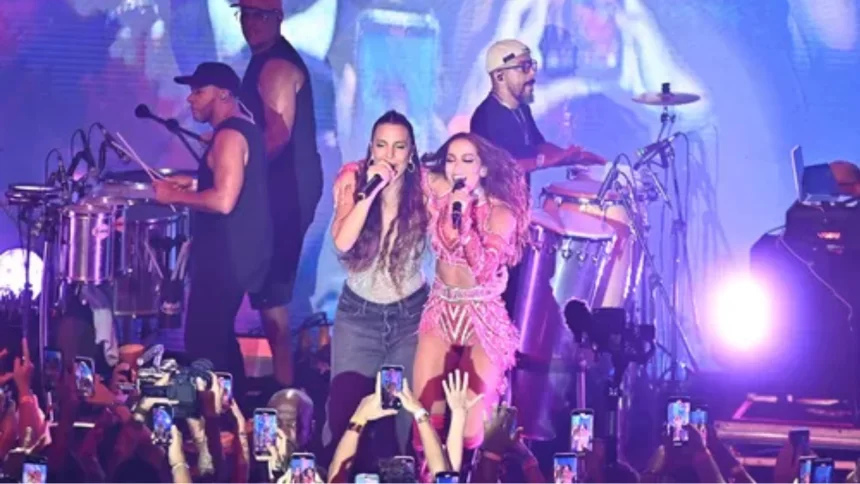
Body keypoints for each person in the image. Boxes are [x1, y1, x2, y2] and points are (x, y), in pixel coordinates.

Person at [153, 62, 272, 390]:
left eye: (198, 91)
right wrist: (193, 184)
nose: (191, 99)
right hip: (234, 253)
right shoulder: (239, 130)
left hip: (228, 256)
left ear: (223, 94)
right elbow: (234, 185)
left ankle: (213, 420)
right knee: (217, 336)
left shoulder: (231, 135)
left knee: (203, 339)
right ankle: (237, 413)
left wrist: (168, 197)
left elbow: (223, 200)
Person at [412, 132, 530, 453]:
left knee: (470, 431)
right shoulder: (440, 194)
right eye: (451, 159)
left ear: (484, 169)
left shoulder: (501, 214)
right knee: (423, 420)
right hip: (440, 310)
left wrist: (464, 222)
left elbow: (483, 271)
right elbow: (406, 166)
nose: (457, 167)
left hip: (482, 319)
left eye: (467, 160)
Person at [325, 111, 429, 455]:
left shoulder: (425, 190)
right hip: (359, 317)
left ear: (411, 152)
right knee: (344, 415)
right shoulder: (353, 184)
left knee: (401, 421)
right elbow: (342, 242)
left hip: (409, 319)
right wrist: (368, 193)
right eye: (382, 145)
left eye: (399, 147)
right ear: (371, 149)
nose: (390, 155)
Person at [234, 0, 324, 388]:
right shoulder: (262, 60)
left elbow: (275, 137)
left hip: (284, 194)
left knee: (273, 301)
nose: (252, 23)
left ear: (279, 18)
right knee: (270, 297)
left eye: (262, 15)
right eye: (247, 14)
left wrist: (232, 167)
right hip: (277, 191)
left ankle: (287, 403)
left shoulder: (276, 67)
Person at [470, 39, 604, 178]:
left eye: (532, 66)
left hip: (520, 198)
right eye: (524, 67)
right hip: (495, 198)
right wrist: (546, 161)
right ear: (500, 76)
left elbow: (538, 146)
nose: (532, 73)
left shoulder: (521, 109)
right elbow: (501, 167)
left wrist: (571, 156)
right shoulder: (486, 116)